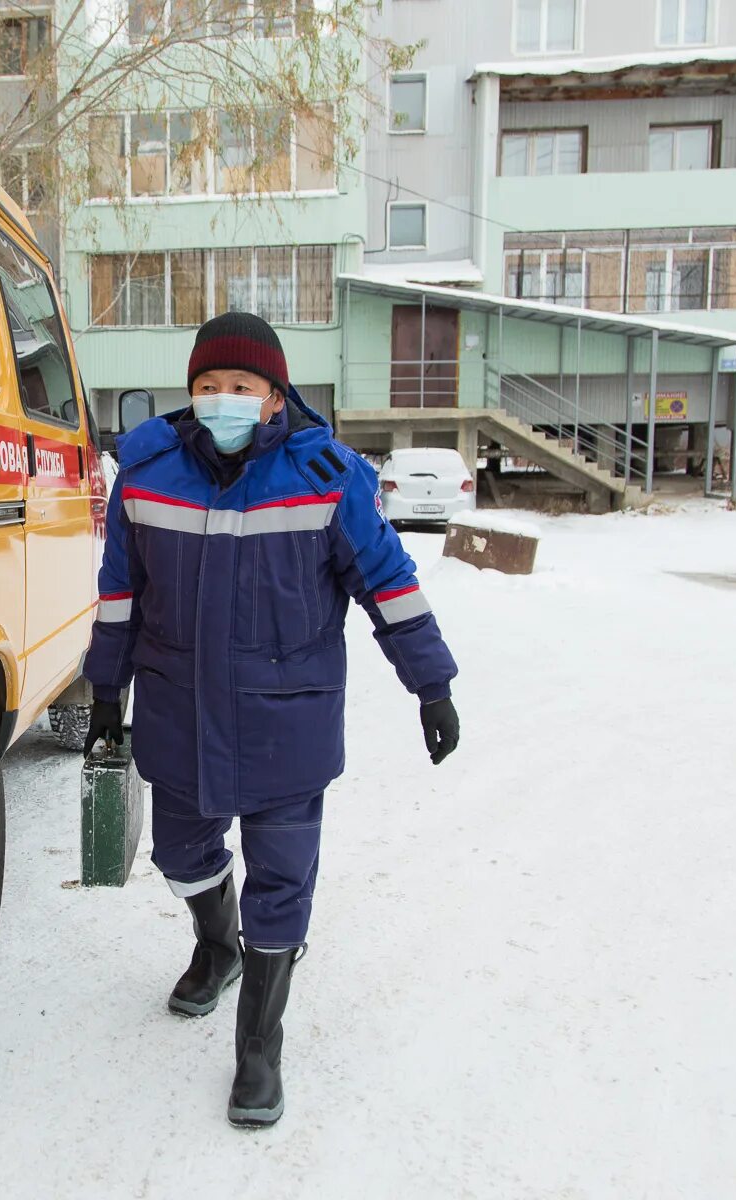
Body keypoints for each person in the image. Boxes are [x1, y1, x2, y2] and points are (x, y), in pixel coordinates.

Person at [83, 311, 461, 1128]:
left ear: (274, 392)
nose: (223, 400)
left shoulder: (328, 474)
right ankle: (217, 947)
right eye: (208, 386)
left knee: (282, 882)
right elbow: (119, 592)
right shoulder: (147, 472)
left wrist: (431, 685)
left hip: (288, 721)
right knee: (181, 850)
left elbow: (388, 584)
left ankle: (260, 1039)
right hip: (179, 710)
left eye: (242, 387)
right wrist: (106, 694)